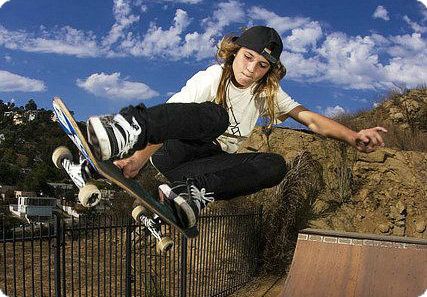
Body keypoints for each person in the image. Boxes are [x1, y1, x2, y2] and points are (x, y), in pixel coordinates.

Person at [86, 26, 387, 228]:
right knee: (216, 117)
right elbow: (170, 121)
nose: (250, 69)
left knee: (275, 165)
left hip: (201, 167)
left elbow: (309, 119)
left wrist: (352, 136)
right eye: (248, 58)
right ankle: (126, 128)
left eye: (261, 65)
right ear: (235, 52)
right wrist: (138, 158)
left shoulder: (266, 92)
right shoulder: (211, 78)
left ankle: (189, 194)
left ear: (269, 70)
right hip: (172, 151)